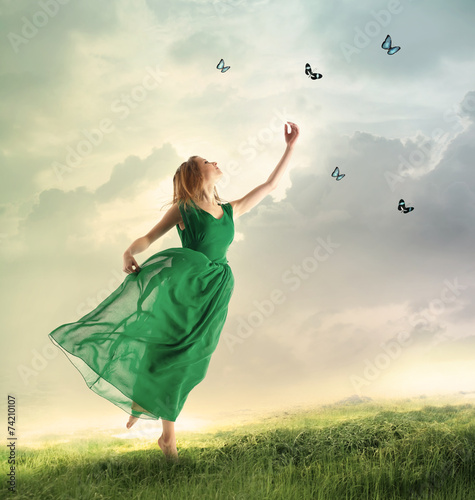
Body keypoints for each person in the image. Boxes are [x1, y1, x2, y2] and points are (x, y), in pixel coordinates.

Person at [48, 121, 299, 461]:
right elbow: (149, 238)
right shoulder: (184, 210)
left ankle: (147, 405)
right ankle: (167, 437)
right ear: (197, 175)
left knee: (192, 359)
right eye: (206, 161)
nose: (214, 162)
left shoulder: (229, 210)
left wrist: (290, 147)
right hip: (185, 288)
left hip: (215, 292)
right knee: (172, 352)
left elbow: (270, 185)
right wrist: (128, 252)